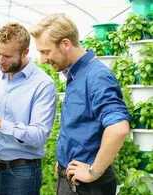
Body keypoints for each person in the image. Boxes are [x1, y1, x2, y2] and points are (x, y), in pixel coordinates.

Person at [30, 13, 130, 195]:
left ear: (66, 44)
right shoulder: (76, 74)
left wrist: (93, 171)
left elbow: (118, 128)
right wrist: (63, 161)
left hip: (88, 187)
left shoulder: (96, 76)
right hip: (71, 180)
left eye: (45, 51)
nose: (43, 59)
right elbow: (83, 125)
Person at [0, 22, 56, 195]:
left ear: (25, 53)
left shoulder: (43, 84)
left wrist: (0, 123)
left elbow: (39, 135)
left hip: (22, 174)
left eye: (7, 56)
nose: (1, 60)